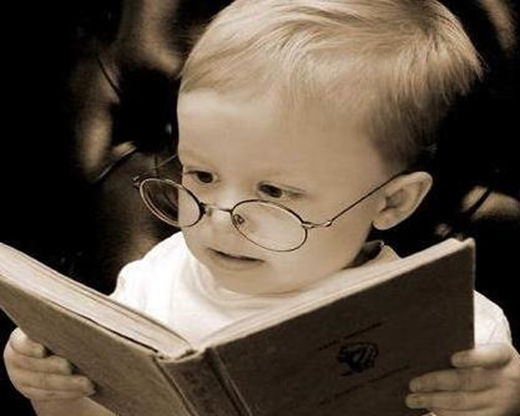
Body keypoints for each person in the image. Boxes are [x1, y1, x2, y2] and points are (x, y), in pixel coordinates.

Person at [4, 0, 520, 415]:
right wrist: (58, 392)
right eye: (201, 176)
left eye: (274, 192)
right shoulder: (156, 280)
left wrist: (498, 405)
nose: (220, 216)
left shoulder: (445, 328)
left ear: (391, 202)